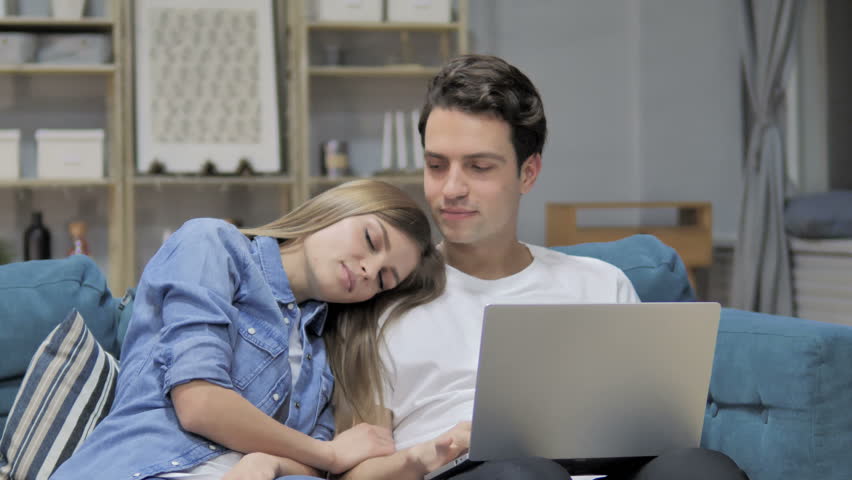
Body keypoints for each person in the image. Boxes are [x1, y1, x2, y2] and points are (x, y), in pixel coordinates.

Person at [335, 55, 749, 479]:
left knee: (702, 468)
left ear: (528, 173)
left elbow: (655, 435)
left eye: (479, 167)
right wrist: (429, 454)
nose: (451, 188)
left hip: (601, 472)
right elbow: (354, 473)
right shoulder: (385, 295)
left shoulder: (601, 284)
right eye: (436, 166)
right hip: (470, 473)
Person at [49, 179, 446, 480]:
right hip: (149, 467)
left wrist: (269, 461)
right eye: (370, 240)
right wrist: (330, 454)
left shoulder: (325, 354)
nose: (368, 270)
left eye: (383, 279)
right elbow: (199, 402)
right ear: (336, 208)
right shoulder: (213, 244)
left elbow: (309, 463)